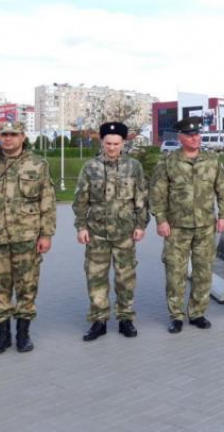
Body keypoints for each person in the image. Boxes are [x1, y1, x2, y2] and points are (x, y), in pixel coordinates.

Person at [0, 121, 56, 355]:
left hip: (27, 238)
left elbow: (47, 202)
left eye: (13, 134)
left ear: (23, 137)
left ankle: (23, 335)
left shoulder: (37, 165)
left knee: (27, 287)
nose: (8, 139)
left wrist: (46, 234)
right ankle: (2, 336)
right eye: (4, 134)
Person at [150, 116, 224, 333]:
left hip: (205, 226)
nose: (195, 138)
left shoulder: (212, 160)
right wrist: (161, 220)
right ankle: (176, 315)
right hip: (176, 227)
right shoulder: (168, 161)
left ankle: (197, 312)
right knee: (175, 272)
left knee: (203, 271)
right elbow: (157, 194)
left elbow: (223, 191)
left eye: (197, 134)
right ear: (181, 137)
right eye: (190, 135)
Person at [73, 121, 148, 341]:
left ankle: (126, 319)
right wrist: (81, 227)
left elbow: (141, 198)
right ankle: (99, 321)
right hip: (96, 233)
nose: (112, 148)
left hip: (125, 233)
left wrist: (141, 225)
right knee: (96, 278)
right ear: (102, 142)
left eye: (116, 143)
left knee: (126, 278)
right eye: (108, 143)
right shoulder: (91, 167)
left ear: (123, 143)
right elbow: (80, 201)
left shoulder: (134, 167)